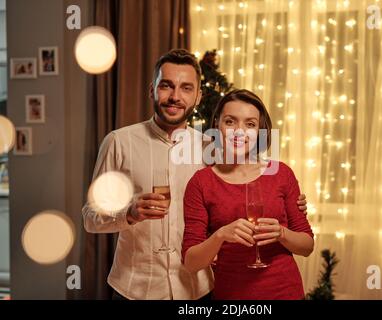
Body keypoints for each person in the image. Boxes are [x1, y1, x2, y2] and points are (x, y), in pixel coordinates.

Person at [82, 49, 308, 300]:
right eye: (166, 86)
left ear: (198, 96)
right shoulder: (118, 142)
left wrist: (293, 206)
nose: (175, 97)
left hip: (196, 288)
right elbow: (91, 218)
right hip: (135, 287)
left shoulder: (212, 149)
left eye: (186, 88)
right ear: (152, 89)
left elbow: (246, 188)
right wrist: (129, 213)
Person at [182, 89, 314, 300]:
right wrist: (220, 235)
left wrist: (282, 233)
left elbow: (307, 246)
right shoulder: (201, 182)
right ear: (217, 125)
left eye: (250, 124)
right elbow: (191, 262)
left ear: (261, 131)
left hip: (285, 293)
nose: (239, 132)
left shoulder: (282, 174)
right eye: (231, 121)